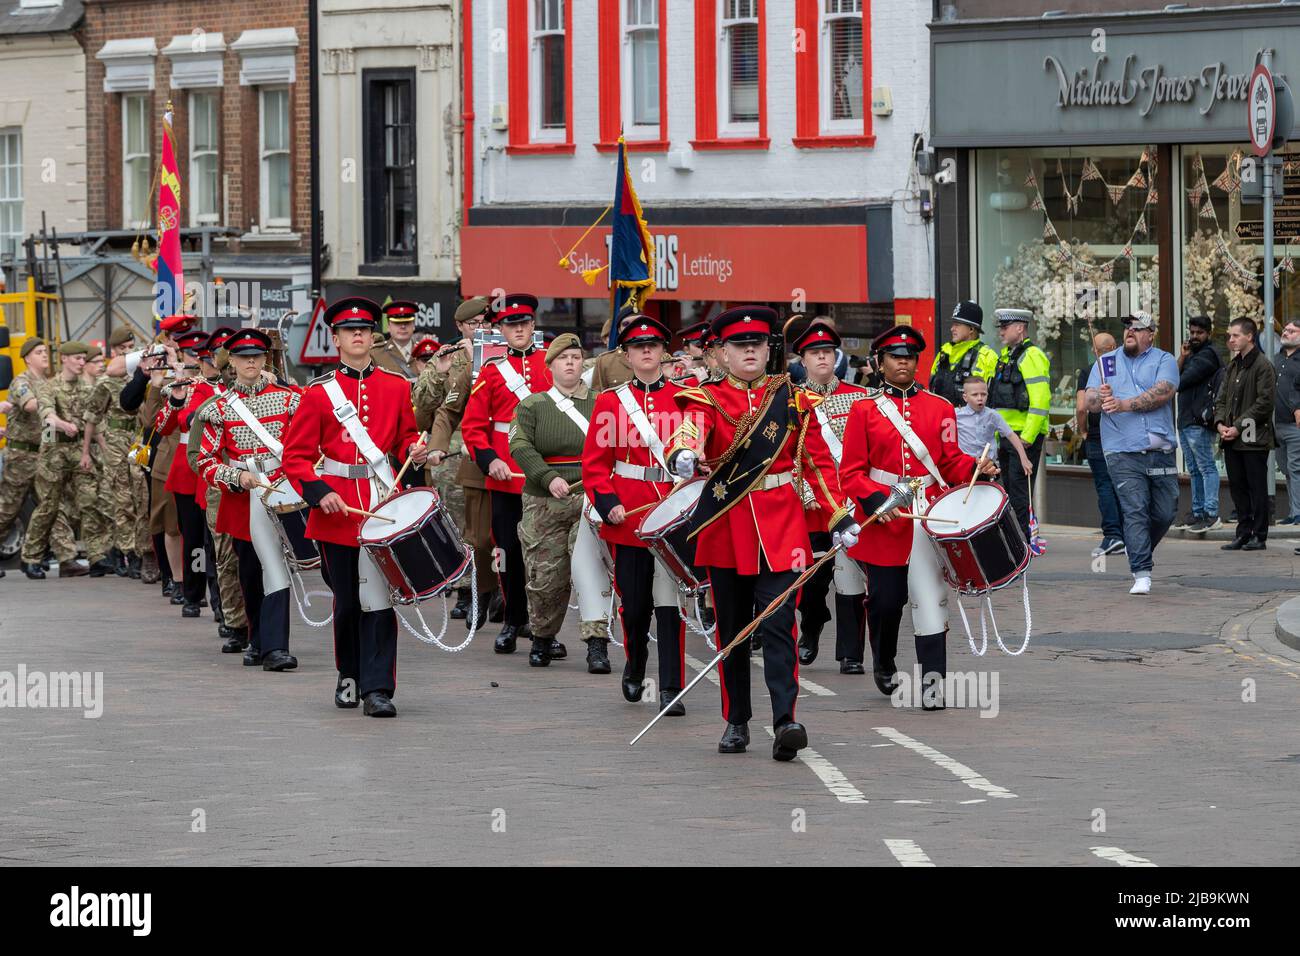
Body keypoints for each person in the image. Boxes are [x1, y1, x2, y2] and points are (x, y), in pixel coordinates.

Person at [666, 306, 859, 761]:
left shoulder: (789, 398)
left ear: (768, 350)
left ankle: (785, 721)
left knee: (777, 625)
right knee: (732, 632)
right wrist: (684, 452)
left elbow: (814, 464)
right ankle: (736, 720)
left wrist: (839, 516)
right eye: (739, 345)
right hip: (727, 530)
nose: (750, 351)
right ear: (721, 353)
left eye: (757, 344)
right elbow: (693, 430)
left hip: (781, 528)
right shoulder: (707, 398)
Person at [281, 297, 427, 717]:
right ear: (337, 338)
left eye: (364, 329)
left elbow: (403, 439)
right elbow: (296, 457)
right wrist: (318, 491)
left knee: (378, 600)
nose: (358, 335)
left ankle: (378, 688)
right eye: (349, 330)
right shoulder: (318, 393)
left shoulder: (397, 386)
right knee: (347, 602)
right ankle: (349, 674)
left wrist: (413, 452)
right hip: (336, 512)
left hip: (381, 505)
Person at [840, 326, 997, 706]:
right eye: (895, 356)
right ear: (880, 363)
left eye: (909, 356)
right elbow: (851, 472)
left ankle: (931, 684)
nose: (903, 362)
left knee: (930, 597)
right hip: (884, 516)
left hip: (927, 512)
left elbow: (949, 460)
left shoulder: (940, 407)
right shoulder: (863, 409)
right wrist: (879, 502)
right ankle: (884, 661)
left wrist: (976, 467)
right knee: (885, 601)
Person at [584, 316, 691, 710]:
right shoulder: (610, 402)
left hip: (672, 510)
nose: (646, 351)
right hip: (628, 515)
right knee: (635, 605)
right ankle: (635, 666)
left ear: (663, 352)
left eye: (653, 346)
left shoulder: (685, 398)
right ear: (627, 357)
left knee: (670, 602)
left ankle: (670, 686)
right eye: (637, 347)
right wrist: (608, 503)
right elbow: (595, 464)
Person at [196, 328, 302, 668]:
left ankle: (276, 647)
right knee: (250, 572)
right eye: (243, 357)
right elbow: (203, 461)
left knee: (276, 568)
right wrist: (237, 477)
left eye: (256, 355)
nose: (251, 362)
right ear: (233, 362)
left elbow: (307, 446)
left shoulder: (290, 398)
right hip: (242, 497)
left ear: (266, 359)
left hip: (281, 491)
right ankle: (257, 638)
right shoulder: (219, 408)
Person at [459, 293, 553, 655]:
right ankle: (513, 620)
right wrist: (488, 461)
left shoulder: (551, 365)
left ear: (533, 326)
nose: (518, 329)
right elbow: (474, 426)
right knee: (509, 551)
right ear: (500, 330)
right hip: (504, 476)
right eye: (511, 325)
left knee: (545, 555)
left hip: (544, 476)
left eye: (524, 324)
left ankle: (544, 625)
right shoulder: (492, 371)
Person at [510, 332, 610, 669]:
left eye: (575, 357)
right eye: (562, 358)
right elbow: (520, 446)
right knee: (545, 576)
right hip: (544, 502)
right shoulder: (533, 405)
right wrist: (547, 476)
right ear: (550, 365)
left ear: (583, 363)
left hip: (590, 498)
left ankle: (597, 644)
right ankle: (542, 637)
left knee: (592, 571)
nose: (570, 363)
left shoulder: (602, 403)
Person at [784, 318, 871, 673]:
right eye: (814, 353)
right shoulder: (789, 401)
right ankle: (812, 625)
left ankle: (851, 654)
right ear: (802, 359)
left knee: (851, 577)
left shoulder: (859, 397)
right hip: (812, 504)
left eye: (827, 352)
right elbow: (789, 456)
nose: (822, 358)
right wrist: (806, 493)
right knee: (813, 577)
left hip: (851, 500)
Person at [1084, 312, 1180, 594]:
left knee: (1166, 511)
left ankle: (1138, 546)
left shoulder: (1164, 360)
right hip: (1120, 450)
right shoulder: (1108, 361)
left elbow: (1163, 392)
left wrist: (1124, 404)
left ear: (1151, 333)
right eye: (1127, 327)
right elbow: (1089, 401)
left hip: (1159, 450)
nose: (1130, 331)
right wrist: (1099, 398)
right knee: (1135, 508)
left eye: (1137, 328)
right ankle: (1142, 572)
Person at [424, 296, 499, 626]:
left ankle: (507, 598)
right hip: (466, 454)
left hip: (511, 454)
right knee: (472, 533)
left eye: (486, 324)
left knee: (510, 534)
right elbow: (436, 409)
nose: (481, 330)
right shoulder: (451, 359)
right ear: (460, 327)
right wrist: (440, 374)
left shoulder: (508, 351)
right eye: (474, 325)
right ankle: (475, 591)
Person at [186, 328, 249, 650]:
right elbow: (196, 456)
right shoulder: (213, 405)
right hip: (221, 489)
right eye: (237, 361)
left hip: (260, 487)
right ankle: (235, 621)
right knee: (226, 557)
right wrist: (227, 476)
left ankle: (260, 622)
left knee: (261, 558)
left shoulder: (271, 398)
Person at [22, 341, 104, 578]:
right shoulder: (49, 387)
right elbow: (46, 415)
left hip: (80, 450)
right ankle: (31, 558)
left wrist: (104, 451)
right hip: (54, 453)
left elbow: (95, 423)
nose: (81, 363)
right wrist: (63, 424)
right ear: (65, 359)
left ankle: (97, 557)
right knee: (48, 507)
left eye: (83, 359)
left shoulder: (87, 388)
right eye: (77, 358)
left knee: (89, 500)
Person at [1, 338, 75, 580]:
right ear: (27, 358)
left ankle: (66, 559)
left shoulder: (47, 383)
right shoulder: (21, 382)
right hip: (21, 456)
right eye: (39, 352)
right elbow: (32, 405)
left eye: (46, 351)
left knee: (52, 505)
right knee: (7, 510)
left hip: (44, 454)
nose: (45, 355)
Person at [153, 330, 214, 618]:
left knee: (215, 538)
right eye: (200, 357)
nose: (203, 362)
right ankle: (192, 593)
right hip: (189, 469)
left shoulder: (228, 388)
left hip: (217, 468)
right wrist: (176, 400)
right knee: (192, 536)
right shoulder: (185, 387)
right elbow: (163, 426)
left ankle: (220, 599)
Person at [82, 326, 145, 577]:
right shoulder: (107, 380)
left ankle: (140, 552)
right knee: (122, 498)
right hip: (117, 439)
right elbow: (91, 416)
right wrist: (86, 451)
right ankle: (124, 551)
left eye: (131, 348)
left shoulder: (143, 374)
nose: (128, 352)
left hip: (139, 438)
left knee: (141, 496)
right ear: (115, 350)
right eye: (123, 349)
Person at [988, 308, 1051, 545]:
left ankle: (1024, 541)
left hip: (1023, 437)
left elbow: (1041, 400)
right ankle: (1019, 539)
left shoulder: (1032, 356)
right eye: (1000, 328)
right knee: (1011, 491)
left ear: (1020, 328)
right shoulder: (1006, 356)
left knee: (1019, 492)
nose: (1001, 332)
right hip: (1006, 436)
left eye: (1005, 327)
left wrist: (1028, 436)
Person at [1214, 317, 1275, 552]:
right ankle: (1243, 533)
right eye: (1229, 336)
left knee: (1256, 488)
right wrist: (1220, 424)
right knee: (1238, 487)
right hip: (1231, 437)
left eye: (1235, 335)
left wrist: (1238, 426)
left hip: (1253, 437)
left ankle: (1259, 535)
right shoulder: (1233, 365)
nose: (1231, 340)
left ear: (1249, 336)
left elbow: (1264, 403)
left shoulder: (1262, 365)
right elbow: (1221, 398)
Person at [1075, 332, 1126, 557]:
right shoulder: (1126, 369)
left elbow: (1081, 407)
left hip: (1097, 436)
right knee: (1124, 484)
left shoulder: (1089, 371)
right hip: (1123, 435)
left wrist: (1083, 430)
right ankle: (1128, 533)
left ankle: (1113, 535)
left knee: (1104, 486)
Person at [1173, 315, 1224, 534]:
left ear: (1208, 334)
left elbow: (1178, 381)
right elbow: (1175, 376)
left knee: (1205, 468)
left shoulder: (1208, 356)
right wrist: (1182, 357)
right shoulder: (1193, 354)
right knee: (1194, 470)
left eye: (1199, 333)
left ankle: (1211, 514)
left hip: (1198, 420)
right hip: (1186, 419)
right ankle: (1198, 511)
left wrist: (1184, 362)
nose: (1194, 337)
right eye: (1192, 332)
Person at [956, 376, 1035, 473]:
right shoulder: (956, 415)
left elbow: (1011, 435)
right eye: (975, 395)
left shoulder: (993, 415)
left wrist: (1024, 459)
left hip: (987, 466)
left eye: (983, 394)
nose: (980, 398)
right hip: (964, 465)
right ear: (965, 397)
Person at [929, 300, 999, 406]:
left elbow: (992, 400)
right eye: (953, 324)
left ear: (971, 328)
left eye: (957, 325)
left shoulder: (987, 356)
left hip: (973, 422)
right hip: (941, 421)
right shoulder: (943, 354)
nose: (952, 329)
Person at [1271, 320, 1300, 527]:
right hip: (1275, 424)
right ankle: (1293, 511)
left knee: (1295, 468)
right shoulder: (1276, 358)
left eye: (1291, 331)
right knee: (1287, 470)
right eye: (1285, 330)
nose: (1286, 333)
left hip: (1295, 425)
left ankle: (1297, 513)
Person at [371, 300, 420, 380]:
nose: (403, 327)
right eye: (397, 323)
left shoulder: (425, 352)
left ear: (413, 325)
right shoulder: (375, 354)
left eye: (407, 322)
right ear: (388, 326)